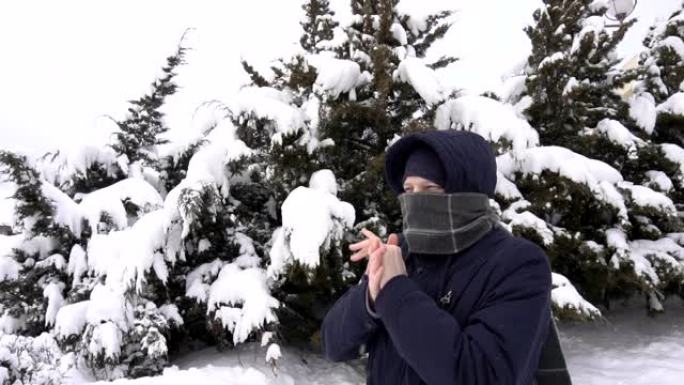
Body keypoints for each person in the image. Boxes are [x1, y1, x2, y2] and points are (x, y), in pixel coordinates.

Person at [320, 130, 566, 385]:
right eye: (409, 189)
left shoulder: (516, 264)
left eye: (430, 189)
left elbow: (480, 377)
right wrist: (369, 297)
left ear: (467, 192)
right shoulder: (401, 251)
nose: (415, 201)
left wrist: (395, 291)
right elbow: (333, 344)